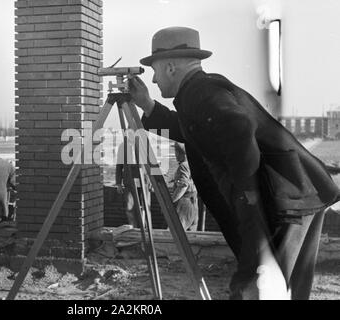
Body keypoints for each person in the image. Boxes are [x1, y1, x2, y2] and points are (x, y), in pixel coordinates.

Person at [128, 26, 340, 299]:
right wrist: (147, 105)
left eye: (154, 71)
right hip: (298, 192)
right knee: (284, 292)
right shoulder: (200, 90)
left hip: (282, 203)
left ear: (170, 68)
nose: (154, 80)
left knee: (257, 290)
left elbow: (238, 130)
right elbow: (195, 131)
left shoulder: (200, 94)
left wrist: (251, 220)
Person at [115, 139, 151, 228]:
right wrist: (118, 183)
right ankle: (133, 229)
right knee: (129, 207)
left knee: (145, 207)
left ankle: (145, 229)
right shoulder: (122, 146)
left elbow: (151, 163)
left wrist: (152, 181)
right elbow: (119, 165)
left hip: (144, 181)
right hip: (129, 181)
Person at [172, 142, 198, 231]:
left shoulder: (183, 166)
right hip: (194, 202)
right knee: (191, 236)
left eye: (175, 151)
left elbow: (183, 186)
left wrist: (171, 201)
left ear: (179, 152)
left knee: (176, 233)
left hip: (185, 203)